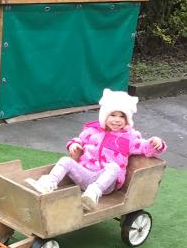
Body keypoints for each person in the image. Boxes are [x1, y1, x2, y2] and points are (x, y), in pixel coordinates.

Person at [25, 89, 166, 211]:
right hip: (85, 175)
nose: (117, 120)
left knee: (114, 167)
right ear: (104, 116)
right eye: (113, 115)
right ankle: (48, 184)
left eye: (122, 116)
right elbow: (79, 140)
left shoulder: (129, 137)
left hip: (106, 183)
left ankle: (92, 194)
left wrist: (155, 143)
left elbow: (144, 147)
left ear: (127, 119)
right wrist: (74, 144)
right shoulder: (92, 131)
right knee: (65, 160)